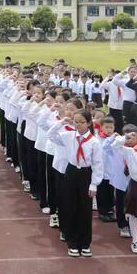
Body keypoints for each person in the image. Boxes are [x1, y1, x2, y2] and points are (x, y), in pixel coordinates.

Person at [47, 108, 103, 257]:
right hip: (71, 172)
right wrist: (61, 123)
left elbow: (98, 164)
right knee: (70, 207)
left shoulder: (94, 142)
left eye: (82, 122)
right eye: (76, 122)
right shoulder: (69, 136)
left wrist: (94, 183)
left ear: (89, 123)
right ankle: (71, 242)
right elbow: (50, 135)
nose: (78, 125)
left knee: (85, 209)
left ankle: (85, 243)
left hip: (86, 174)